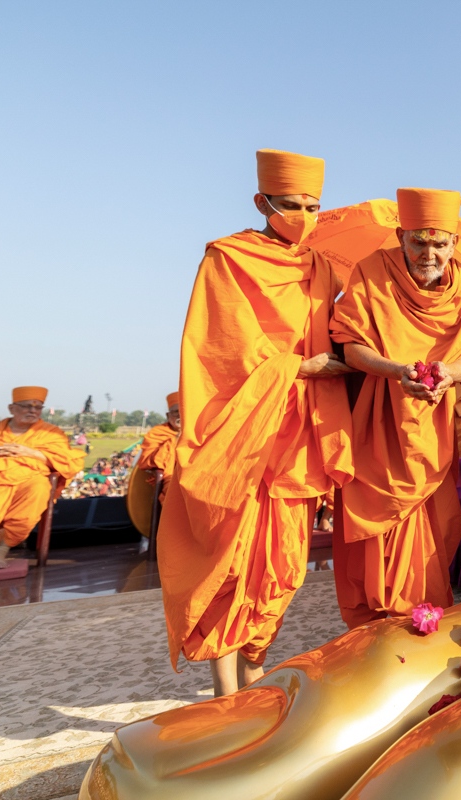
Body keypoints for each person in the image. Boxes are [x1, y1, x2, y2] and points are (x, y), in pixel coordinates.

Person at [157, 148, 354, 697]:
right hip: (242, 434)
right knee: (232, 561)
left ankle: (255, 668)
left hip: (300, 432)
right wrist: (300, 366)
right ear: (261, 202)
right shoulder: (227, 259)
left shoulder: (322, 267)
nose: (302, 217)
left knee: (283, 568)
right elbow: (222, 348)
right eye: (290, 205)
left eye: (312, 206)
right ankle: (227, 691)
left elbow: (338, 328)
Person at [330, 188, 461, 627]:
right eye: (418, 242)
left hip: (434, 426)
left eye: (440, 244)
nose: (428, 254)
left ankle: (420, 620)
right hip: (379, 420)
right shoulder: (371, 272)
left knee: (435, 524)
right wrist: (397, 371)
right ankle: (375, 625)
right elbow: (351, 346)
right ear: (401, 236)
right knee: (376, 528)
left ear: (454, 243)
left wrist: (448, 374)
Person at [0, 387, 84, 571]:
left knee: (38, 489)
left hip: (26, 484)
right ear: (11, 408)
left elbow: (68, 463)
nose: (32, 411)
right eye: (26, 406)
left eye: (37, 407)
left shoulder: (51, 433)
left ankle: (1, 550)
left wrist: (30, 452)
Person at [136, 392, 180, 500]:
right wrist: (175, 440)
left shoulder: (198, 432)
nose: (180, 416)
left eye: (183, 412)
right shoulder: (157, 433)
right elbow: (146, 460)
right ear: (168, 416)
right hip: (171, 477)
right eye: (176, 412)